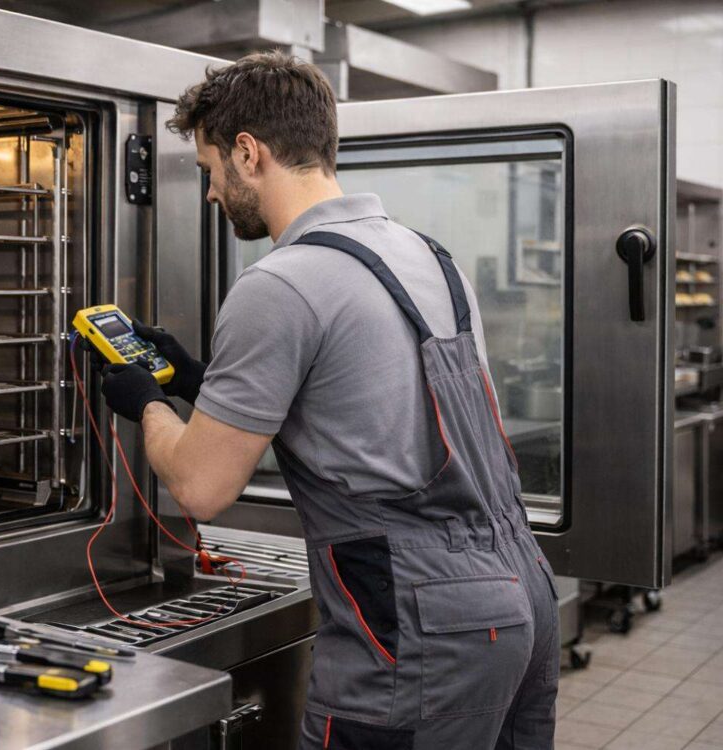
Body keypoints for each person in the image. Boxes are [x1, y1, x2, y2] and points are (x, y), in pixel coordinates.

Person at [97, 51, 559, 750]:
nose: (211, 193)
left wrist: (145, 404)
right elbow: (367, 405)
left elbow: (201, 488)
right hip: (520, 592)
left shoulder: (279, 284)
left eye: (209, 169)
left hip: (419, 619)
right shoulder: (428, 256)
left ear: (248, 152)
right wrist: (197, 381)